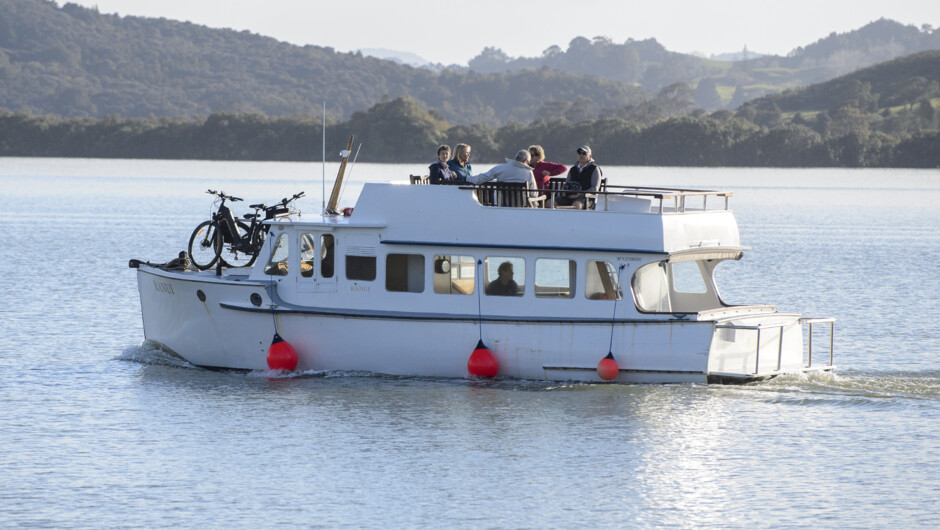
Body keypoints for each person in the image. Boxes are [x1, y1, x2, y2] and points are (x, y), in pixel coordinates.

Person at [467, 149, 537, 191]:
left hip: (502, 204)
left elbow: (482, 178)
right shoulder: (529, 173)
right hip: (521, 207)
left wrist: (467, 178)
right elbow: (534, 194)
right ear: (525, 161)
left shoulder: (500, 168)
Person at [558, 145, 602, 209]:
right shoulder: (573, 169)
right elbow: (566, 184)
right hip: (569, 196)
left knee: (576, 205)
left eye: (584, 153)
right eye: (579, 153)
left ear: (590, 156)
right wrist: (563, 191)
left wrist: (580, 194)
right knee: (549, 203)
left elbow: (594, 188)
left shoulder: (594, 169)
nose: (581, 155)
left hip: (586, 198)